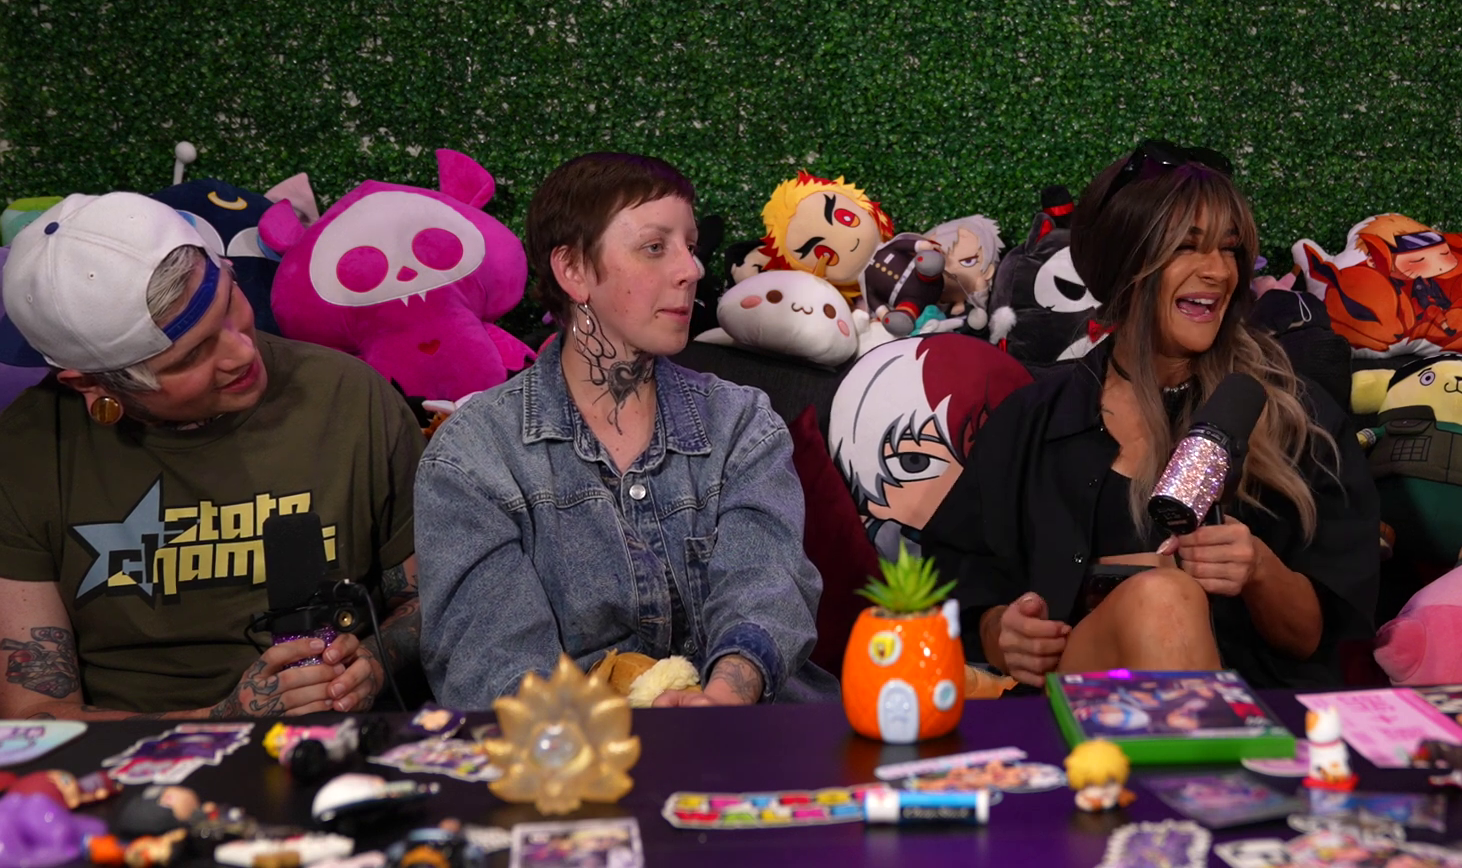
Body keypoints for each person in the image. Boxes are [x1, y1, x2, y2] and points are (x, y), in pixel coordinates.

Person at [919, 140, 1380, 689]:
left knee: (1163, 598)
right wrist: (1002, 631)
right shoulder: (1032, 420)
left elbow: (1317, 639)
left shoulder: (1296, 416)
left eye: (1230, 249)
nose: (1218, 271)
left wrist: (1259, 569)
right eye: (1186, 246)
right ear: (1126, 263)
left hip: (1263, 705)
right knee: (1162, 597)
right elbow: (955, 588)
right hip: (1076, 711)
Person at [417, 153, 836, 709]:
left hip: (758, 730)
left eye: (690, 246)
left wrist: (724, 699)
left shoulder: (741, 422)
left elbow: (765, 587)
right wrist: (632, 734)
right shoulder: (473, 457)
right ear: (573, 270)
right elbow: (497, 661)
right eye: (655, 247)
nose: (691, 269)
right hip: (575, 749)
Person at [0, 193, 421, 719]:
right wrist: (222, 720)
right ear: (92, 385)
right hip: (132, 758)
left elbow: (431, 601)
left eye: (229, 304)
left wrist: (375, 663)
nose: (241, 352)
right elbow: (35, 715)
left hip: (345, 743)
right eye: (192, 355)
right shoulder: (28, 452)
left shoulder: (349, 396)